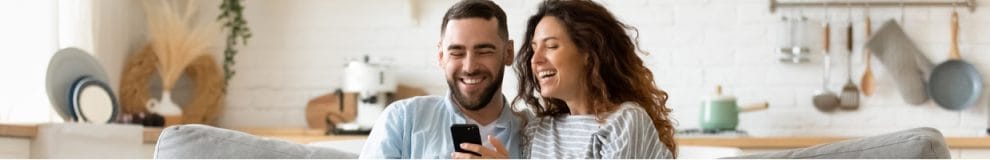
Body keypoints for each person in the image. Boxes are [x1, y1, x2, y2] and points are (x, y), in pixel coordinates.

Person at [461, 0, 678, 158]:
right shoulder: (538, 130)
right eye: (534, 49)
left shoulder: (624, 121)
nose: (535, 60)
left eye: (551, 46)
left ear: (588, 52)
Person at [358, 0, 524, 159]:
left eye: (484, 51)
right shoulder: (402, 119)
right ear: (441, 56)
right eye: (456, 53)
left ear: (508, 53)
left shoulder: (535, 133)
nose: (469, 67)